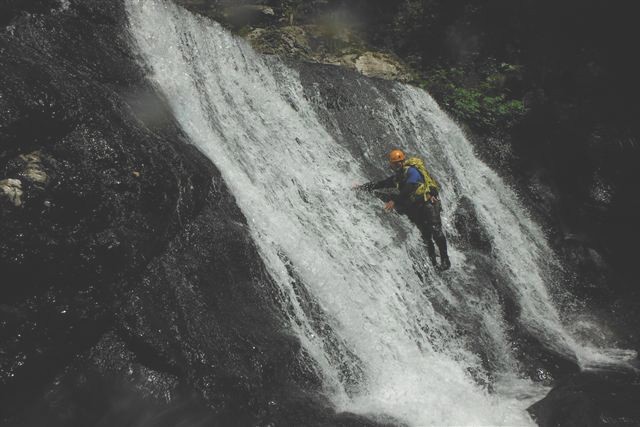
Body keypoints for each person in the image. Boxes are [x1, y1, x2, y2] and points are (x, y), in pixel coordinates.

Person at [356, 149, 451, 270]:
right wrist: (362, 187)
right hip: (417, 208)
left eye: (399, 162)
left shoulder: (412, 171)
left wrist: (394, 201)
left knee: (436, 230)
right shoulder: (397, 178)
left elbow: (409, 187)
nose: (397, 165)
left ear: (402, 162)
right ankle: (434, 264)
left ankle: (445, 260)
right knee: (426, 237)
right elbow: (381, 184)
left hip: (429, 203)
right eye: (395, 163)